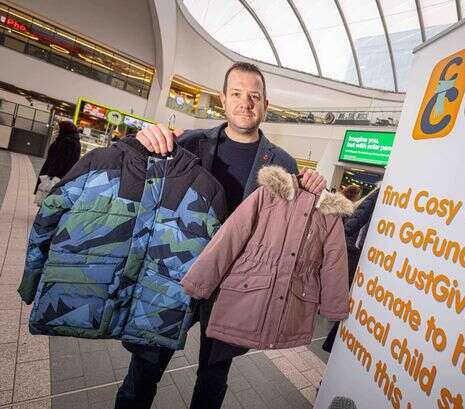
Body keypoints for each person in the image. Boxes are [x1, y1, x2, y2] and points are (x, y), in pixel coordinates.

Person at [115, 62, 326, 409]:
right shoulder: (189, 143)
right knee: (142, 374)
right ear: (223, 100)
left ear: (265, 105)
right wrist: (141, 141)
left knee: (213, 381)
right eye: (237, 94)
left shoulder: (284, 164)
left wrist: (315, 187)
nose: (246, 103)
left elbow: (293, 228)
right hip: (175, 278)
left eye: (254, 96)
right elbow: (131, 167)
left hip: (234, 288)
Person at [322, 187, 380, 353]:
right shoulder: (383, 191)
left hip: (352, 248)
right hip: (354, 250)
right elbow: (358, 217)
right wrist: (343, 235)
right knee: (346, 287)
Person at [34, 121, 81, 194]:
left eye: (59, 128)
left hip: (55, 177)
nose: (57, 130)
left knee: (46, 195)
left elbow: (60, 162)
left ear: (64, 130)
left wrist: (50, 175)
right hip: (62, 177)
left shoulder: (67, 142)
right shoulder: (73, 141)